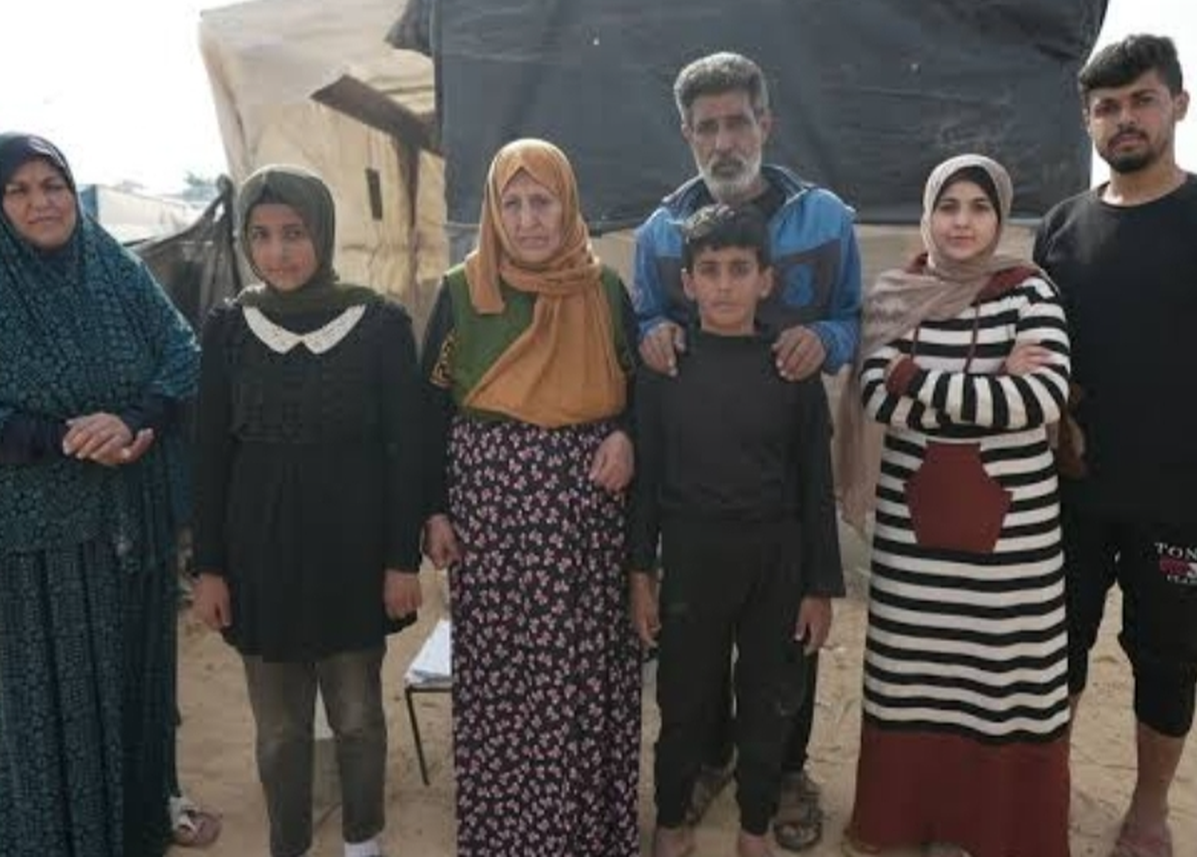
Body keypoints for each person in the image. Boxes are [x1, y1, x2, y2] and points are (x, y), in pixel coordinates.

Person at [632, 50, 862, 851]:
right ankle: (707, 762)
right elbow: (647, 320)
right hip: (699, 474)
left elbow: (851, 316)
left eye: (738, 122)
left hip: (783, 452)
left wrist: (822, 338)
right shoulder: (662, 232)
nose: (724, 141)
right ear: (687, 134)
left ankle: (784, 774)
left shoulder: (825, 218)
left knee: (781, 662)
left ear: (767, 122)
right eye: (708, 127)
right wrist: (653, 335)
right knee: (693, 670)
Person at [837, 154, 1073, 857]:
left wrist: (916, 376)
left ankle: (995, 832)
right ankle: (911, 824)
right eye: (948, 206)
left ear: (999, 218)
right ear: (928, 214)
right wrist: (989, 381)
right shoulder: (897, 295)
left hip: (1012, 559)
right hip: (914, 551)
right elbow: (876, 396)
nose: (962, 222)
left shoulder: (1029, 292)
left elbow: (1040, 398)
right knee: (912, 684)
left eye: (978, 207)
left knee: (1004, 691)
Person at [190, 164, 423, 857]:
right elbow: (209, 455)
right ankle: (287, 845)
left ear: (321, 230)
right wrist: (209, 568)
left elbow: (405, 451)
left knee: (357, 717)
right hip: (259, 561)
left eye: (294, 233)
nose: (279, 252)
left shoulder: (378, 323)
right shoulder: (229, 329)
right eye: (261, 236)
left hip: (352, 557)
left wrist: (400, 560)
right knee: (280, 731)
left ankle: (363, 843)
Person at [421, 138, 642, 857]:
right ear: (493, 210)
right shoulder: (462, 293)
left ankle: (585, 835)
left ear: (567, 203)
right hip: (493, 527)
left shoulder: (604, 291)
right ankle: (507, 837)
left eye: (541, 201)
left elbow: (640, 393)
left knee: (584, 676)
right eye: (511, 203)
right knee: (503, 681)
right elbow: (427, 410)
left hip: (586, 526)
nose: (527, 220)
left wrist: (627, 437)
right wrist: (434, 509)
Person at [0, 132, 207, 857]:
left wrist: (134, 418)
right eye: (18, 190)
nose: (42, 202)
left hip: (130, 536)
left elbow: (184, 354)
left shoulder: (114, 266)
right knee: (51, 706)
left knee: (132, 693)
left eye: (53, 185)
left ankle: (136, 832)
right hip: (35, 551)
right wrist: (63, 437)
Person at [1033, 33, 1197, 857]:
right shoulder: (1062, 226)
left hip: (1181, 497)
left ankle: (1149, 809)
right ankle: (1042, 792)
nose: (1124, 118)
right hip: (1074, 490)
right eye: (1107, 106)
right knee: (1052, 649)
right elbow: (1039, 347)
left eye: (1142, 100)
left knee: (1167, 661)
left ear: (1179, 104)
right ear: (1087, 120)